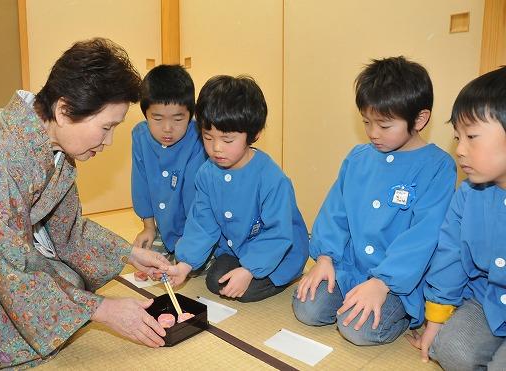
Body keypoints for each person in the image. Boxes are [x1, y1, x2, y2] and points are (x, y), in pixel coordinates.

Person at [0, 38, 171, 370]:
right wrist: (104, 310)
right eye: (106, 127)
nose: (108, 142)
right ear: (64, 110)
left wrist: (132, 254)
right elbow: (4, 265)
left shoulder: (56, 149)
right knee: (16, 332)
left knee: (71, 283)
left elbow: (69, 230)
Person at [292, 56, 457, 345]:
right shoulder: (358, 158)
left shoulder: (438, 167)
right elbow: (335, 213)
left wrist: (383, 283)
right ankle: (351, 297)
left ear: (419, 119)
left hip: (397, 283)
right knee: (308, 308)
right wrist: (325, 258)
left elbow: (424, 237)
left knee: (358, 329)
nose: (372, 133)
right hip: (349, 269)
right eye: (367, 122)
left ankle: (399, 315)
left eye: (384, 125)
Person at [165, 75, 308, 302]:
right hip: (238, 248)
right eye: (208, 137)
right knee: (216, 282)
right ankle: (246, 268)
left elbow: (278, 233)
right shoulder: (206, 173)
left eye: (228, 140)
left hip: (279, 249)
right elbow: (202, 222)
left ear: (254, 134)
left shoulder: (271, 178)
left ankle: (277, 273)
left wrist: (249, 270)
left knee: (245, 291)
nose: (216, 148)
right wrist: (185, 264)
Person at [407, 66, 506, 370]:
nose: (460, 150)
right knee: (448, 350)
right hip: (487, 299)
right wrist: (436, 319)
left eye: (472, 136)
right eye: (457, 137)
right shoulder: (468, 193)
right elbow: (450, 254)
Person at [131, 64, 206, 259]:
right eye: (157, 118)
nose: (167, 128)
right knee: (144, 257)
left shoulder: (199, 137)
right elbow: (140, 184)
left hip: (197, 229)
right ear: (145, 115)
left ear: (191, 115)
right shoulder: (140, 135)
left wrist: (191, 239)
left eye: (177, 119)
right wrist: (148, 227)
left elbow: (195, 196)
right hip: (163, 229)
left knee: (189, 260)